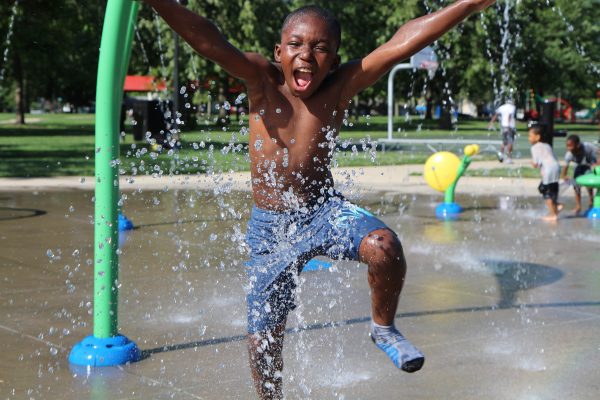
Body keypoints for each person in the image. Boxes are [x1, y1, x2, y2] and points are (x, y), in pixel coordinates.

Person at [143, 1, 496, 398]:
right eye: (295, 44)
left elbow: (405, 42)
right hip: (270, 229)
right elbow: (208, 41)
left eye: (320, 48)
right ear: (279, 52)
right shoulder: (262, 80)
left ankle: (383, 328)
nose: (306, 55)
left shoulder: (341, 85)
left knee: (384, 247)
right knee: (263, 343)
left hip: (323, 210)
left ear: (335, 59)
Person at [528, 125, 561, 221]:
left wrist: (531, 162)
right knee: (552, 189)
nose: (528, 138)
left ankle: (553, 214)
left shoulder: (534, 148)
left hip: (548, 169)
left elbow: (535, 164)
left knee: (546, 192)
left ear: (537, 137)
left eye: (530, 136)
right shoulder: (547, 145)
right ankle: (557, 206)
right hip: (556, 167)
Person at [561, 134, 599, 215]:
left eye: (570, 146)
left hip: (590, 165)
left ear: (578, 145)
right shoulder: (569, 154)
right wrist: (564, 176)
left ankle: (591, 202)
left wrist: (597, 163)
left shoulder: (588, 146)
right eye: (567, 146)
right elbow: (565, 166)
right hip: (578, 166)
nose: (568, 148)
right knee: (576, 186)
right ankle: (578, 206)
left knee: (589, 184)